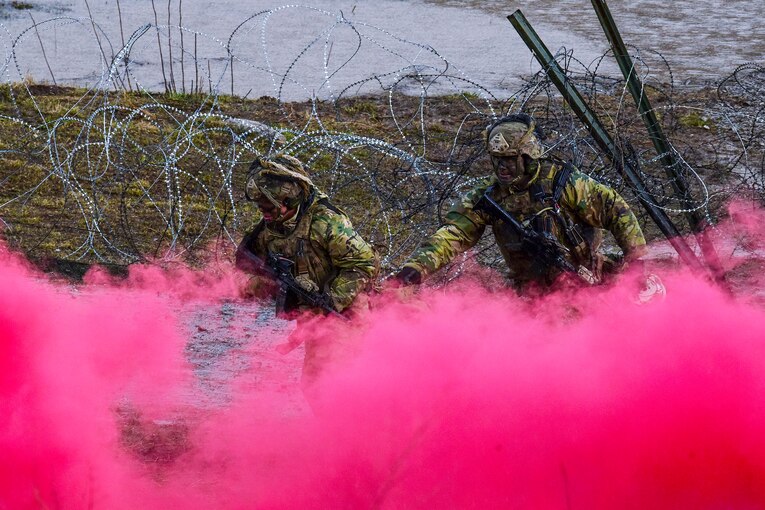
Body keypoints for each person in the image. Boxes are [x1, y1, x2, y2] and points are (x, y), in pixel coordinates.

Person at [395, 113, 663, 299]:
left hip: (585, 280)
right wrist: (413, 272)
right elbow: (452, 235)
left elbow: (617, 211)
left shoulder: (563, 184)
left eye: (510, 159)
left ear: (527, 157)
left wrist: (637, 265)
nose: (502, 167)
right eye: (497, 159)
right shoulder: (489, 197)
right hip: (532, 293)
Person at [235, 154, 379, 391]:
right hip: (315, 319)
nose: (264, 212)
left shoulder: (325, 223)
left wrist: (328, 302)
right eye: (260, 207)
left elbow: (363, 264)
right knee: (314, 386)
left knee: (340, 383)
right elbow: (245, 266)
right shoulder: (268, 231)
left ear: (288, 199)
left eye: (269, 206)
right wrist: (266, 286)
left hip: (347, 313)